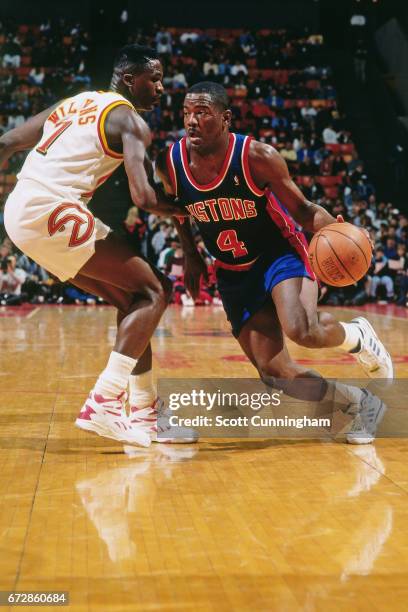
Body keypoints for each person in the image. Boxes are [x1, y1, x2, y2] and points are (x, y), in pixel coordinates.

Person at [155, 82, 393, 444]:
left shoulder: (256, 156)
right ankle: (360, 403)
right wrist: (189, 253)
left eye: (202, 112)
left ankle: (356, 336)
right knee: (274, 373)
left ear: (225, 119)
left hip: (278, 254)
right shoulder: (169, 162)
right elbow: (179, 210)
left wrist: (349, 231)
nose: (191, 120)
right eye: (186, 112)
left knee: (302, 329)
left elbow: (303, 211)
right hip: (232, 271)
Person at [0, 44, 196, 447]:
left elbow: (6, 142)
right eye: (154, 79)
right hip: (52, 207)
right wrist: (181, 209)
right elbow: (143, 198)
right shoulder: (132, 122)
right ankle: (105, 401)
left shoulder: (75, 103)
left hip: (19, 209)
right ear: (129, 79)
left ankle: (144, 413)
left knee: (132, 300)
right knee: (156, 290)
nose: (161, 88)